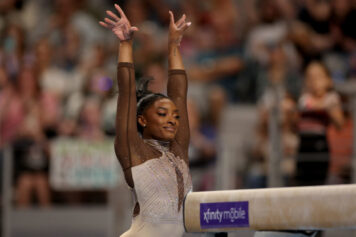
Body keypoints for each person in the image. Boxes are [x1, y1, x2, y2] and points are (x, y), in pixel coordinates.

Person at [100, 4, 192, 237]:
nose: (171, 120)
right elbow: (127, 92)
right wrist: (125, 44)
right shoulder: (134, 151)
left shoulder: (178, 150)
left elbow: (179, 93)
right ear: (141, 120)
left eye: (174, 115)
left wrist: (173, 45)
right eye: (162, 114)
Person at [295, 61, 344, 186]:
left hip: (319, 145)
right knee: (301, 183)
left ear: (328, 80)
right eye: (310, 77)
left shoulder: (331, 98)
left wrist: (325, 106)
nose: (314, 81)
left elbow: (340, 123)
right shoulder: (304, 98)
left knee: (317, 183)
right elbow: (296, 122)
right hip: (303, 145)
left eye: (318, 77)